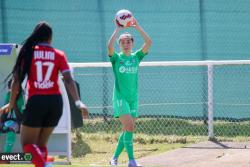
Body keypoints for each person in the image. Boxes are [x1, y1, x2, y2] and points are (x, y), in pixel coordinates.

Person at [0, 21, 89, 167]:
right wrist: (78, 102)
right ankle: (43, 163)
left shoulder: (28, 53)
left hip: (37, 102)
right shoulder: (59, 54)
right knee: (41, 145)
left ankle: (46, 165)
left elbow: (16, 81)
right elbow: (68, 80)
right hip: (56, 103)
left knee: (27, 144)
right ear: (50, 38)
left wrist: (10, 104)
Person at [107, 17, 152, 167]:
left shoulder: (136, 57)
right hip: (120, 98)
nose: (126, 44)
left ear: (132, 43)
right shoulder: (116, 58)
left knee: (127, 128)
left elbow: (149, 42)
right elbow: (109, 46)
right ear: (119, 44)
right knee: (130, 127)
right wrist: (118, 30)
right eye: (123, 42)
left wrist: (137, 27)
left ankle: (114, 158)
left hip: (133, 98)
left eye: (128, 41)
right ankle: (132, 161)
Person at [0, 79, 24, 164]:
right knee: (5, 125)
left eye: (15, 89)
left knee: (11, 128)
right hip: (8, 120)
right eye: (11, 89)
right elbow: (4, 113)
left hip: (20, 123)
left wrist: (13, 104)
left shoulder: (22, 97)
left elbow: (20, 117)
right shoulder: (8, 95)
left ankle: (6, 157)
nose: (12, 91)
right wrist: (1, 123)